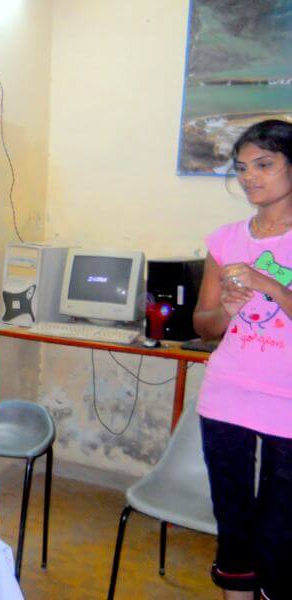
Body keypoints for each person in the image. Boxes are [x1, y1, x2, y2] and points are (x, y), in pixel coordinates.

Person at [194, 119, 292, 600]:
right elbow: (203, 325)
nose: (251, 177)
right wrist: (227, 311)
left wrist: (269, 284)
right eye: (242, 168)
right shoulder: (225, 239)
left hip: (287, 402)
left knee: (281, 533)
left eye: (264, 164)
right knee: (232, 519)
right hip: (226, 395)